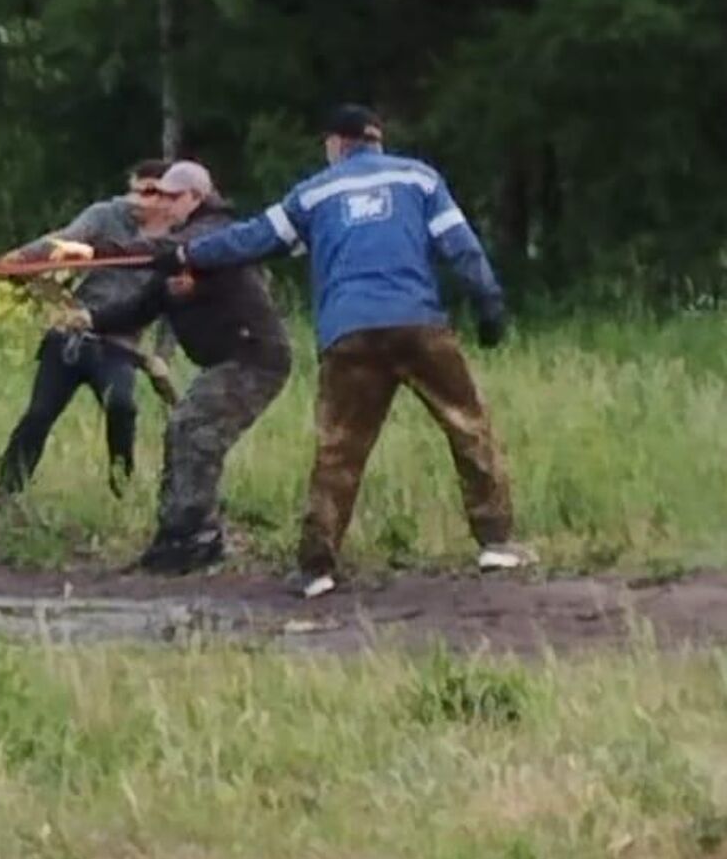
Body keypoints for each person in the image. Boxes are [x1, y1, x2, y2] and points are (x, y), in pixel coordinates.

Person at [152, 105, 533, 598]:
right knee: (467, 426)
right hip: (419, 323)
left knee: (340, 449)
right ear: (377, 141)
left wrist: (186, 254)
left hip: (348, 332)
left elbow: (253, 239)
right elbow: (460, 245)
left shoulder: (316, 191)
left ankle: (316, 569)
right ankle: (496, 544)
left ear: (335, 144)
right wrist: (489, 301)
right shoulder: (419, 179)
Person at [68, 161, 293, 573]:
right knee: (183, 430)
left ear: (196, 197)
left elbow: (160, 254)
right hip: (228, 359)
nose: (162, 205)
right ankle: (178, 535)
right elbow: (143, 305)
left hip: (255, 356)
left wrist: (92, 252)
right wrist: (91, 319)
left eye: (171, 197)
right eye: (158, 196)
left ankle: (194, 537)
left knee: (194, 429)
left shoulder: (215, 233)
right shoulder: (177, 249)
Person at [0, 159, 178, 498]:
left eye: (150, 192)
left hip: (120, 345)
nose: (136, 200)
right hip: (71, 335)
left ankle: (121, 488)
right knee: (39, 414)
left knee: (122, 406)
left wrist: (162, 356)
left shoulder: (179, 236)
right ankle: (6, 492)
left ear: (170, 197)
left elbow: (175, 304)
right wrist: (22, 258)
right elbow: (66, 240)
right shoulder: (105, 215)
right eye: (134, 190)